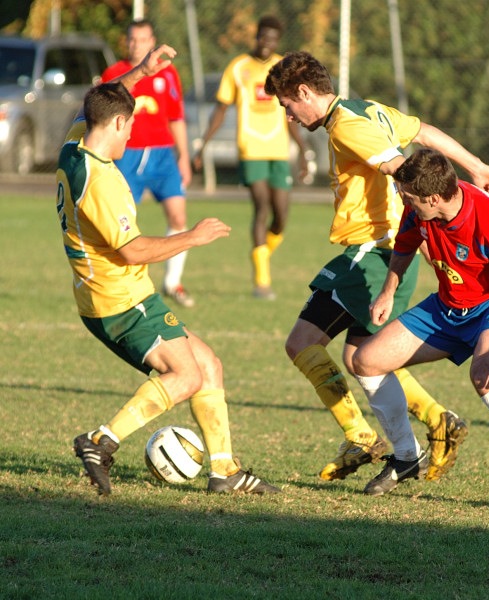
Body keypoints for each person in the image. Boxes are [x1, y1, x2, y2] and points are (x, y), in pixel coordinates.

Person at [264, 51, 489, 483]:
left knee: (302, 343)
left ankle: (362, 438)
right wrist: (476, 164)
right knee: (361, 357)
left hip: (372, 252)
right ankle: (433, 425)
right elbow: (425, 132)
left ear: (303, 92)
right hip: (385, 249)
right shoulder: (367, 108)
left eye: (287, 106)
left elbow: (405, 169)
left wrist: (440, 229)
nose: (290, 117)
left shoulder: (348, 124)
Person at [56, 44, 279, 497]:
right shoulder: (100, 183)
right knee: (187, 376)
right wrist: (192, 237)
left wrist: (140, 71)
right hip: (119, 301)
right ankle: (100, 441)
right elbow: (134, 250)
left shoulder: (73, 148)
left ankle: (224, 471)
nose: (131, 135)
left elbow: (107, 99)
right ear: (118, 124)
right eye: (130, 126)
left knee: (209, 365)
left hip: (123, 296)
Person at [352, 148, 489, 508]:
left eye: (410, 198)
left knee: (486, 377)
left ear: (434, 198)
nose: (404, 201)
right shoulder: (420, 207)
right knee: (366, 361)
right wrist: (388, 291)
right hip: (448, 305)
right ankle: (406, 458)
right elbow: (404, 245)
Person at [193, 15, 309, 300]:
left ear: (277, 41)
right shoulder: (238, 68)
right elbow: (220, 109)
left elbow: (291, 114)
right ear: (256, 36)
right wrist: (204, 144)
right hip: (250, 150)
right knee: (262, 207)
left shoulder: (283, 68)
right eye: (262, 37)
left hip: (278, 151)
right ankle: (262, 281)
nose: (266, 43)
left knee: (281, 216)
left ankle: (261, 255)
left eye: (272, 38)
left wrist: (304, 152)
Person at [102, 19, 195, 308]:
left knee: (179, 217)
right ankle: (117, 281)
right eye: (132, 39)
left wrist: (185, 158)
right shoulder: (115, 74)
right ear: (126, 41)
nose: (136, 45)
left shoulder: (168, 73)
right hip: (126, 155)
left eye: (142, 40)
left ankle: (172, 282)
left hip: (163, 155)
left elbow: (176, 117)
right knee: (122, 222)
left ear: (151, 41)